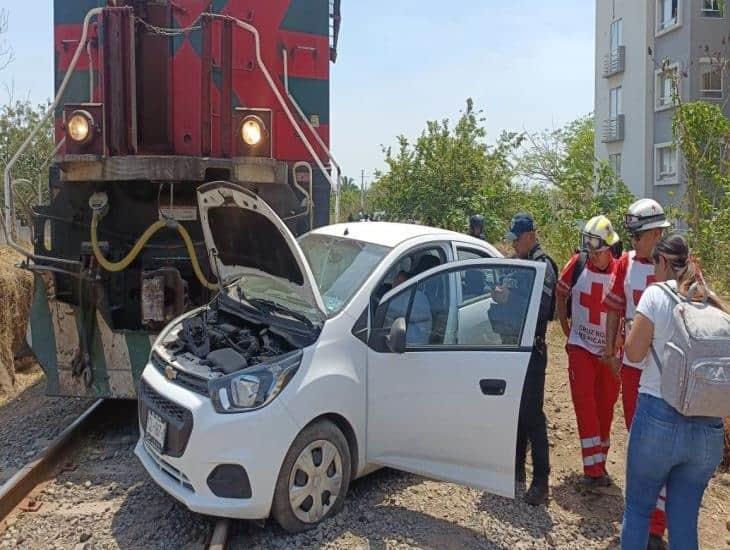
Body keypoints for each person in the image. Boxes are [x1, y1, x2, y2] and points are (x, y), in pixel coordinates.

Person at [621, 234, 726, 550]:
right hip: (708, 431)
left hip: (659, 419)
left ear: (663, 262)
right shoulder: (713, 302)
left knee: (638, 510)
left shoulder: (655, 295)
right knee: (684, 521)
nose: (653, 270)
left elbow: (635, 353)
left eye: (654, 262)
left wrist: (630, 332)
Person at [603, 199, 671, 549]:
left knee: (661, 448)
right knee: (640, 444)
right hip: (632, 370)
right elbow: (614, 306)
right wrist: (610, 351)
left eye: (638, 236)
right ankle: (641, 520)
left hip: (667, 374)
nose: (632, 243)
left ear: (657, 234)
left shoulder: (681, 266)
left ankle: (656, 528)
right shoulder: (625, 264)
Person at [490, 213, 557, 505]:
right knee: (515, 413)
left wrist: (508, 300)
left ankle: (541, 482)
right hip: (513, 348)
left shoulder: (543, 265)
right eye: (512, 240)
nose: (514, 244)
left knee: (533, 416)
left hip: (532, 349)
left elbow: (540, 309)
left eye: (518, 239)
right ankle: (515, 471)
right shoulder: (521, 265)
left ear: (530, 235)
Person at [556, 215, 621, 487]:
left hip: (609, 354)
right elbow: (561, 293)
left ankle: (600, 463)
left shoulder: (622, 271)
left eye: (599, 253)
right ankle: (591, 470)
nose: (594, 258)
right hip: (581, 347)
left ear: (610, 249)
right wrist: (565, 328)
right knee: (585, 405)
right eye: (591, 252)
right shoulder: (577, 263)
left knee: (605, 407)